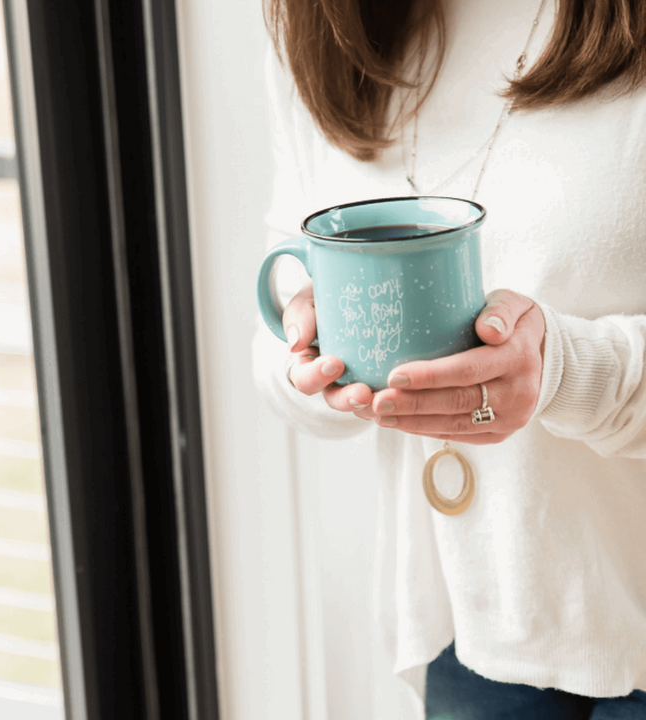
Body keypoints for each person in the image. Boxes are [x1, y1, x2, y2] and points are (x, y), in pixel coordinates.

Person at [253, 0, 646, 717]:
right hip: (466, 629)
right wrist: (312, 360)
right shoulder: (321, 24)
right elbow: (281, 305)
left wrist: (566, 372)